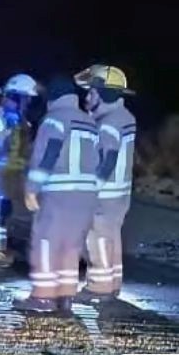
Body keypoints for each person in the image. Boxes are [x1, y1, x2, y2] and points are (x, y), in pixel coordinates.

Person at [13, 76, 101, 314]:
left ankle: (42, 297)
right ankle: (65, 296)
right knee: (71, 246)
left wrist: (32, 188)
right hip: (87, 196)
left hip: (60, 194)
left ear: (53, 98)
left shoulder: (53, 120)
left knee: (46, 243)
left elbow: (48, 155)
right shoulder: (89, 122)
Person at [76, 64, 137, 300]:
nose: (88, 97)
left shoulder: (108, 122)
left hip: (105, 193)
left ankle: (98, 288)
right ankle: (113, 283)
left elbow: (109, 155)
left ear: (104, 94)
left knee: (96, 237)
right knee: (112, 237)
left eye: (92, 92)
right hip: (120, 193)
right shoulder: (125, 117)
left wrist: (95, 186)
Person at [0, 73, 39, 255]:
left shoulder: (22, 121)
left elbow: (25, 149)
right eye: (25, 99)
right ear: (15, 97)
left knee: (4, 211)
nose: (27, 104)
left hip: (11, 173)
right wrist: (4, 139)